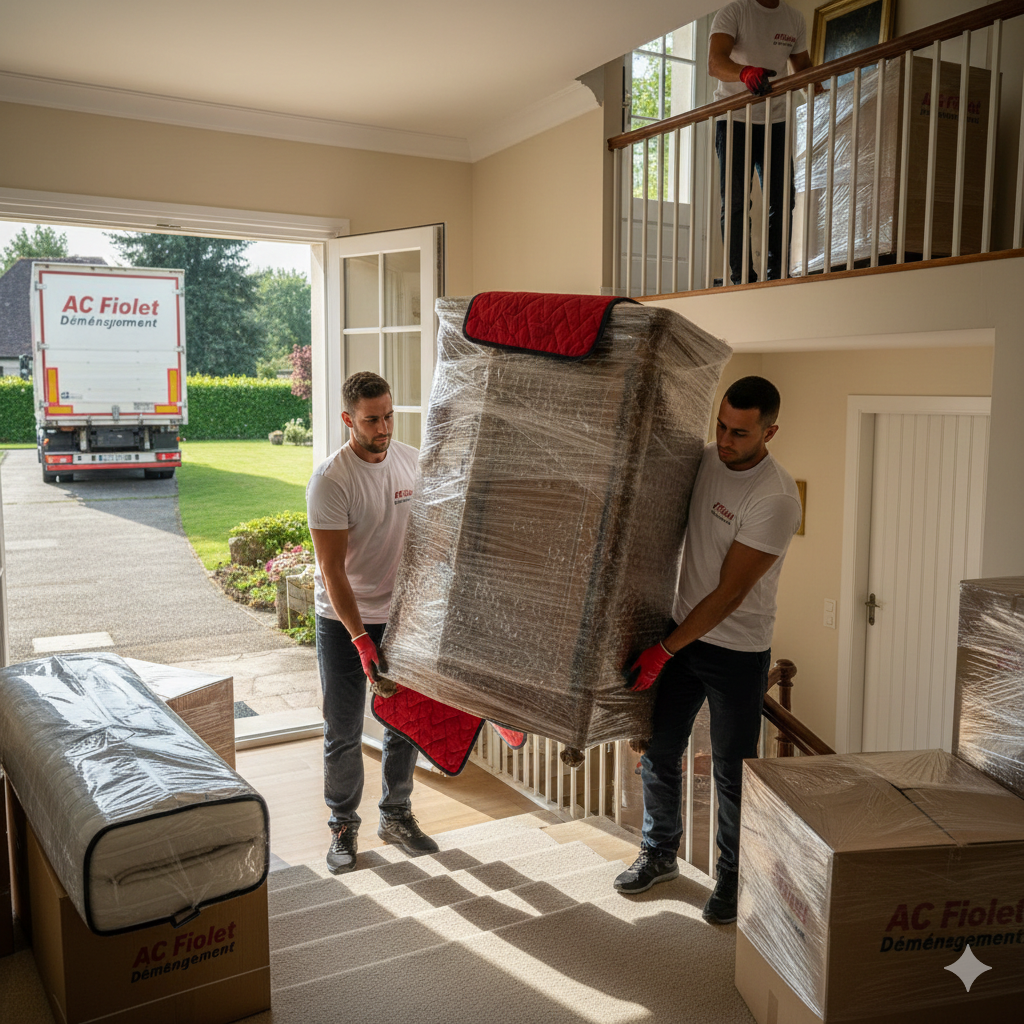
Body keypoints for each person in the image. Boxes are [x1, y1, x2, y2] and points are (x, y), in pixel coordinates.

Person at [613, 376, 802, 925]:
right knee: (659, 750)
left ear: (769, 432)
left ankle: (734, 879)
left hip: (737, 650)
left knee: (731, 771)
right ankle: (659, 852)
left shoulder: (775, 498)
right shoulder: (704, 460)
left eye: (739, 433)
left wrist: (663, 651)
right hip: (681, 633)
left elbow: (729, 594)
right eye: (721, 426)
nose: (724, 439)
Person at [306, 370, 438, 874]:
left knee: (404, 721)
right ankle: (343, 823)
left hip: (401, 615)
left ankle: (396, 813)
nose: (383, 428)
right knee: (343, 728)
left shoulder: (410, 461)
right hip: (345, 620)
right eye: (371, 420)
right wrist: (361, 639)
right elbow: (331, 571)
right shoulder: (331, 481)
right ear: (348, 419)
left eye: (388, 416)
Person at [709, 0, 816, 285]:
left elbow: (803, 68)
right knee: (736, 202)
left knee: (782, 200)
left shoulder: (794, 18)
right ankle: (743, 277)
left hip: (775, 119)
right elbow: (715, 63)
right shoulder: (735, 11)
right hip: (734, 118)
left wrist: (822, 93)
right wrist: (745, 73)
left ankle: (777, 275)